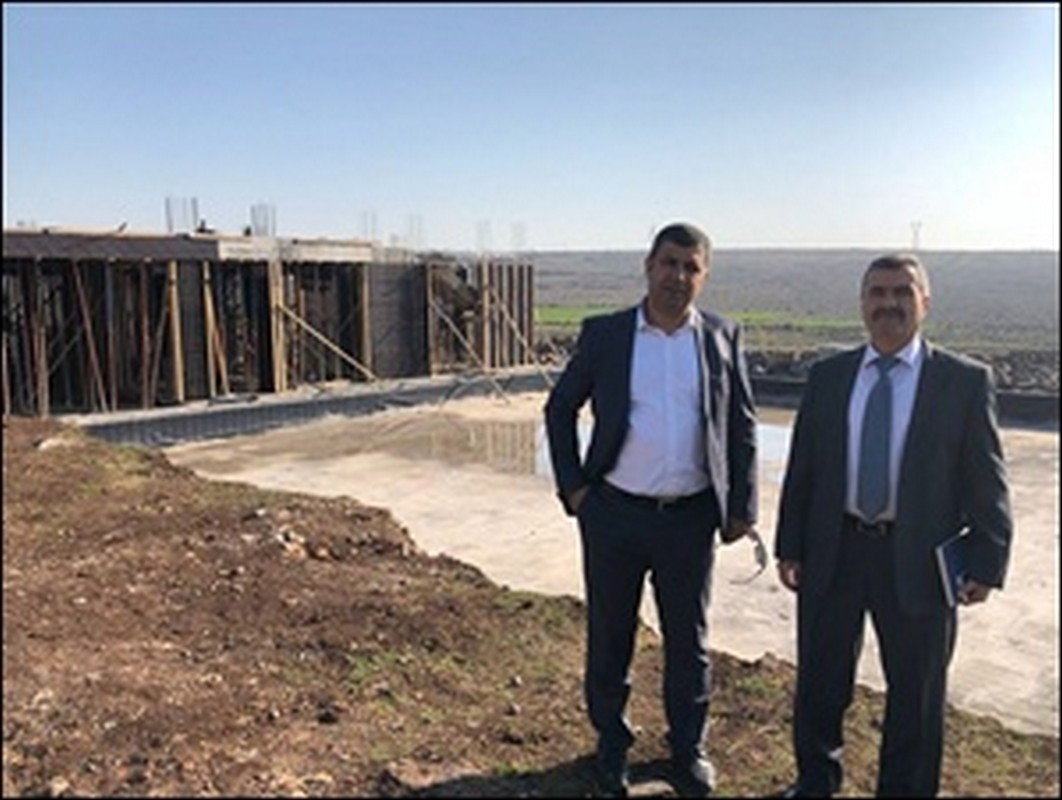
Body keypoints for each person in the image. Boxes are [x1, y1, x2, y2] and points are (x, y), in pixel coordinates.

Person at [773, 253, 1013, 797]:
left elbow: (986, 479)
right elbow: (804, 468)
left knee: (917, 692)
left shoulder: (962, 382)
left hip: (920, 558)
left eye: (903, 292)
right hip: (835, 548)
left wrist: (987, 562)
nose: (890, 303)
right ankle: (816, 780)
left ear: (925, 303)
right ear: (862, 304)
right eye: (878, 292)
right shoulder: (829, 377)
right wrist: (792, 546)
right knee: (821, 680)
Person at [544, 221, 759, 797]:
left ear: (704, 276)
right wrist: (575, 490)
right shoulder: (607, 335)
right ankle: (612, 745)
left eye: (691, 267)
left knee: (688, 641)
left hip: (689, 519)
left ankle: (688, 750)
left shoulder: (722, 336)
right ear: (649, 266)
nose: (678, 276)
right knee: (610, 634)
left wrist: (741, 505)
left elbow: (741, 424)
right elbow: (560, 409)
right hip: (613, 514)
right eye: (669, 263)